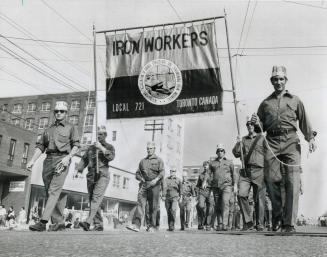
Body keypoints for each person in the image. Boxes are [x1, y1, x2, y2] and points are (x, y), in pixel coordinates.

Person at [251, 66, 317, 233]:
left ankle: (289, 223)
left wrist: (311, 138)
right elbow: (260, 129)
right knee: (272, 182)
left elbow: (303, 121)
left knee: (292, 182)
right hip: (272, 142)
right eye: (275, 79)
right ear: (271, 81)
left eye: (281, 79)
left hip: (291, 142)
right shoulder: (265, 103)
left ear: (286, 80)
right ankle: (278, 218)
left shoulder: (295, 100)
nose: (278, 82)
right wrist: (255, 122)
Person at [27, 101, 80, 232]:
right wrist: (32, 160)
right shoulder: (48, 129)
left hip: (62, 159)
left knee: (53, 191)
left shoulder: (71, 128)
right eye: (56, 111)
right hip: (48, 160)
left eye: (61, 111)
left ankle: (43, 222)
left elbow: (76, 146)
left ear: (66, 113)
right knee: (48, 192)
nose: (58, 113)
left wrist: (68, 158)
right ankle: (59, 223)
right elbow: (41, 146)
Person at [75, 125, 115, 231]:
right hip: (91, 176)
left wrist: (101, 148)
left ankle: (88, 222)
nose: (99, 136)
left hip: (102, 175)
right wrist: (78, 170)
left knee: (96, 198)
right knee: (93, 200)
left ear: (105, 135)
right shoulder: (91, 147)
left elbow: (111, 157)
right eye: (98, 134)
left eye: (102, 134)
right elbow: (84, 159)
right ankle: (98, 224)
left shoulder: (109, 147)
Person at [232, 118, 266, 231]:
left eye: (251, 124)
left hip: (259, 171)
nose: (249, 126)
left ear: (255, 125)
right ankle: (248, 221)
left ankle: (260, 224)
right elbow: (236, 153)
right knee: (241, 194)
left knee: (259, 199)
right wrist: (238, 142)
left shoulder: (262, 138)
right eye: (247, 124)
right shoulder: (243, 140)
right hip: (246, 171)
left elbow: (269, 154)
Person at [126, 141, 165, 232]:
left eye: (151, 148)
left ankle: (152, 226)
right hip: (144, 185)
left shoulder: (159, 160)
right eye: (147, 149)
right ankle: (136, 225)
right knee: (140, 204)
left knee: (153, 207)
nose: (149, 150)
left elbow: (162, 173)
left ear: (154, 149)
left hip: (155, 185)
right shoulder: (142, 161)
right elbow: (137, 174)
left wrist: (156, 180)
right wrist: (141, 179)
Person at [209, 143, 236, 231]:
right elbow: (209, 174)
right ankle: (220, 224)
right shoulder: (212, 163)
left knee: (225, 203)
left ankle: (225, 224)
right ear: (216, 152)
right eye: (218, 151)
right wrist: (206, 181)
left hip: (226, 186)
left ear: (224, 152)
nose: (220, 152)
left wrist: (235, 185)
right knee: (217, 205)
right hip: (216, 187)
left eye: (221, 151)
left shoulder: (229, 162)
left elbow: (233, 174)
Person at [196, 161, 212, 230]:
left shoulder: (212, 174)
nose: (205, 167)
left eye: (207, 165)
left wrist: (212, 191)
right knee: (200, 206)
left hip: (210, 191)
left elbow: (214, 183)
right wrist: (197, 193)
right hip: (202, 192)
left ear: (209, 166)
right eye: (204, 166)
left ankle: (208, 224)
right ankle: (201, 223)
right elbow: (198, 185)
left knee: (210, 208)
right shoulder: (201, 175)